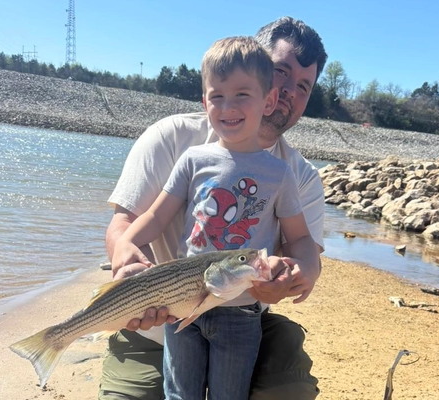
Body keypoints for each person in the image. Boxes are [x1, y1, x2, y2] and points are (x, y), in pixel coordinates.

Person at [99, 16, 328, 400]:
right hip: (154, 323)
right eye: (279, 72)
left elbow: (302, 246)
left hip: (240, 316)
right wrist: (125, 257)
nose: (287, 90)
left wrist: (297, 276)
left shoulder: (297, 176)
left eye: (302, 86)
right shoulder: (175, 141)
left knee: (288, 385)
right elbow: (129, 222)